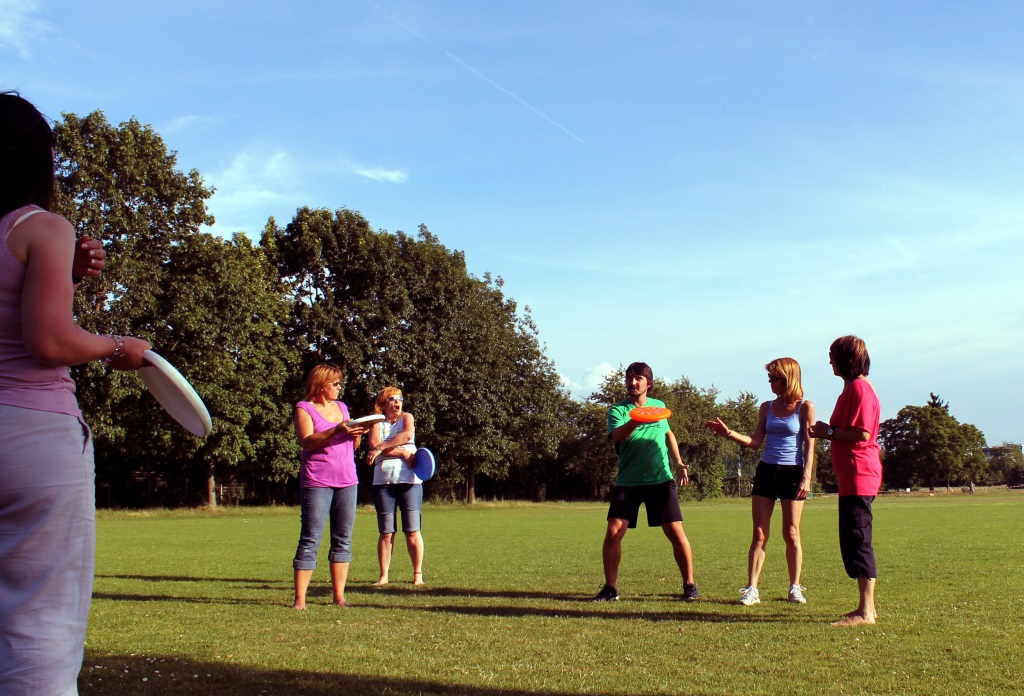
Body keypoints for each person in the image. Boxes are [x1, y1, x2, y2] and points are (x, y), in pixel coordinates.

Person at [0, 92, 151, 695]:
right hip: (33, 437)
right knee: (41, 627)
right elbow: (50, 340)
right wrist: (119, 349)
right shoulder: (41, 227)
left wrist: (62, 271)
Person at [706, 357, 815, 606]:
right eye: (769, 378)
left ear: (788, 379)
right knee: (759, 533)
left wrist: (807, 477)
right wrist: (729, 433)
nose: (770, 382)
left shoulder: (805, 407)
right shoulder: (766, 407)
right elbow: (756, 442)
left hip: (793, 473)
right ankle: (752, 588)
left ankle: (795, 587)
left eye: (774, 378)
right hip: (767, 470)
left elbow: (810, 447)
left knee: (791, 533)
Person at [592, 362, 699, 602]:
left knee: (675, 531)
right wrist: (638, 418)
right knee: (613, 532)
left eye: (638, 378)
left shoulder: (659, 407)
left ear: (648, 383)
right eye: (629, 378)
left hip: (660, 479)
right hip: (628, 481)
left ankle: (690, 584)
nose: (632, 382)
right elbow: (618, 436)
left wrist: (679, 463)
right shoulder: (617, 411)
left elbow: (667, 433)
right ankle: (610, 588)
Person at [808, 336, 882, 627]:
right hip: (852, 476)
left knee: (859, 539)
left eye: (832, 355)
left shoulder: (860, 389)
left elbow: (862, 434)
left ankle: (866, 612)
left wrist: (829, 433)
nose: (829, 361)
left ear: (845, 359)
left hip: (859, 474)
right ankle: (865, 609)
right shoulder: (852, 389)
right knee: (852, 540)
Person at [291, 363, 368, 610]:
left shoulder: (342, 407)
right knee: (311, 537)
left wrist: (357, 434)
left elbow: (350, 448)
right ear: (321, 385)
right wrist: (337, 429)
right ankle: (300, 600)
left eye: (339, 383)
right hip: (317, 481)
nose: (339, 387)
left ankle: (339, 597)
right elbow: (307, 441)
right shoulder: (304, 408)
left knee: (343, 539)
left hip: (347, 480)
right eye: (334, 383)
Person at [366, 387, 425, 586]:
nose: (397, 402)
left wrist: (382, 448)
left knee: (412, 530)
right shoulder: (375, 421)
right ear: (383, 403)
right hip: (382, 482)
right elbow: (373, 443)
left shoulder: (407, 417)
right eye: (392, 399)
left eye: (400, 398)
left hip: (410, 482)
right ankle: (383, 576)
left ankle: (417, 575)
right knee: (386, 532)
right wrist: (402, 453)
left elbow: (407, 435)